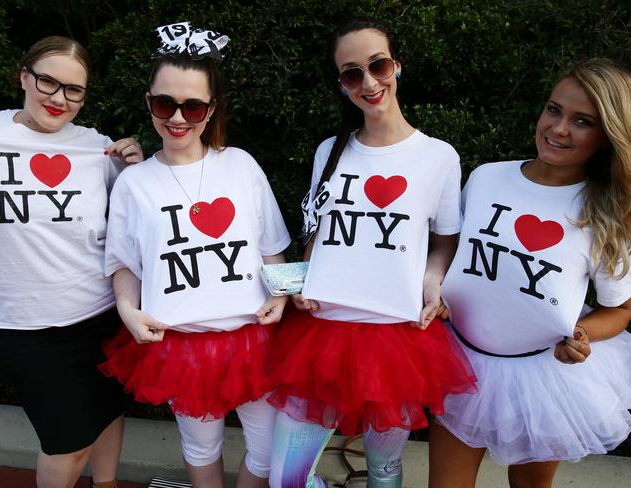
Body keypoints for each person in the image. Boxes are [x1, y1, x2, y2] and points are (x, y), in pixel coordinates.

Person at [267, 19, 476, 488]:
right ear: (342, 85)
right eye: (351, 73)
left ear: (396, 67)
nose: (368, 82)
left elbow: (444, 242)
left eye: (377, 65)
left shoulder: (438, 156)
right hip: (320, 334)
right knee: (287, 479)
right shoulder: (330, 151)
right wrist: (302, 283)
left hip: (395, 339)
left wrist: (433, 282)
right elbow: (316, 232)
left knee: (384, 470)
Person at [98, 22, 292, 488]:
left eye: (193, 105)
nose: (178, 117)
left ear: (212, 109)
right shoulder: (134, 183)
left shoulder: (241, 165)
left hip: (252, 338)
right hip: (180, 344)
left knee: (268, 449)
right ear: (149, 102)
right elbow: (124, 262)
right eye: (165, 103)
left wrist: (282, 295)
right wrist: (127, 308)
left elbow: (273, 248)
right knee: (200, 446)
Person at [429, 58, 631, 488]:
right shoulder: (486, 177)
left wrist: (582, 334)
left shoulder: (603, 212)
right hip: (460, 361)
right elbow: (456, 257)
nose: (558, 129)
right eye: (554, 109)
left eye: (582, 121)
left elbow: (620, 310)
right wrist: (438, 293)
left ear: (606, 137)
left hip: (544, 378)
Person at [0, 36, 143, 488]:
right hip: (18, 324)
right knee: (67, 441)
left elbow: (136, 220)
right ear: (22, 76)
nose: (59, 98)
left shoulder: (100, 149)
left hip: (98, 315)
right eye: (47, 81)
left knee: (107, 409)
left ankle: (106, 484)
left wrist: (137, 166)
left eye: (74, 90)